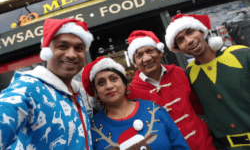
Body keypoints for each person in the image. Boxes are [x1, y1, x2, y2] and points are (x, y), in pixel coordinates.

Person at [0, 18, 94, 150]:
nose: (72, 54)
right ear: (47, 51)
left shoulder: (77, 92)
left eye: (79, 48)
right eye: (63, 46)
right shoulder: (27, 87)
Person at [165, 13, 250, 150]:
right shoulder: (189, 74)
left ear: (202, 31)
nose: (189, 40)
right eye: (181, 40)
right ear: (178, 49)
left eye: (190, 32)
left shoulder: (242, 54)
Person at [127, 30, 216, 150]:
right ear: (135, 64)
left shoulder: (179, 72)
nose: (147, 58)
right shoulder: (132, 93)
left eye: (150, 51)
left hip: (203, 144)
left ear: (160, 53)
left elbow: (198, 106)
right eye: (139, 56)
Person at [81, 56, 190, 150]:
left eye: (114, 79)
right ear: (96, 92)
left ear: (125, 84)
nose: (109, 86)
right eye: (101, 83)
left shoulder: (155, 110)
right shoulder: (92, 128)